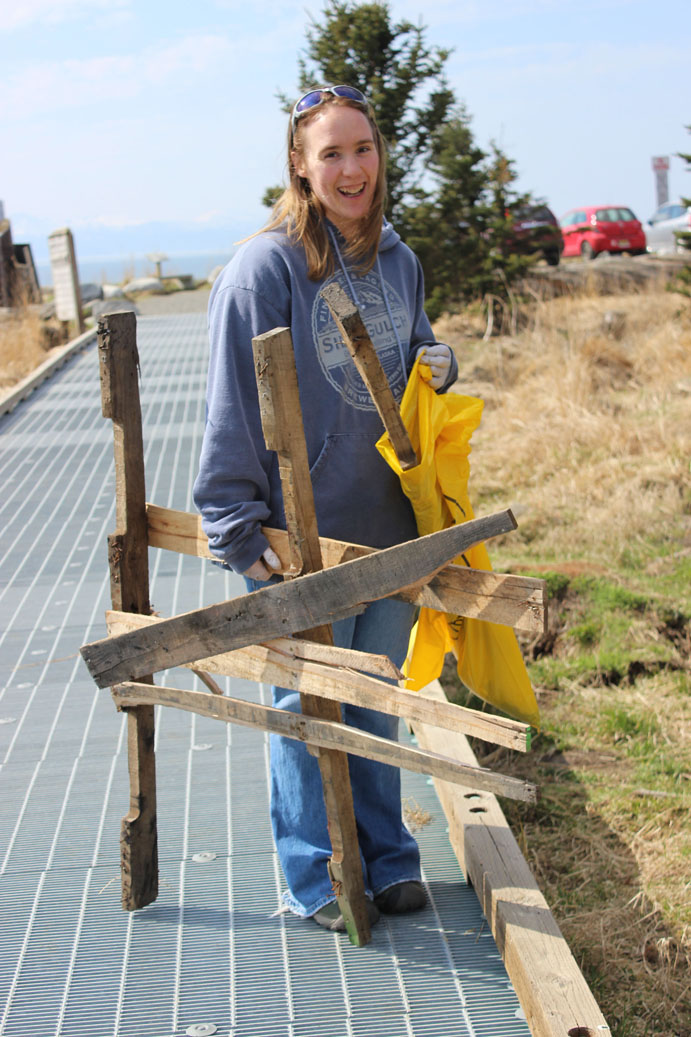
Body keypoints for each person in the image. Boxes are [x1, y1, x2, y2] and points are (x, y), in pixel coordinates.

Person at [193, 85, 458, 932]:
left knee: (375, 694)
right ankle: (316, 874)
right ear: (299, 167)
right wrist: (233, 524)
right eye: (331, 153)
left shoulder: (397, 258)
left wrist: (437, 356)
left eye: (362, 149)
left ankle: (388, 858)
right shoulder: (263, 270)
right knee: (305, 704)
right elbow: (233, 399)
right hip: (299, 533)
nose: (351, 169)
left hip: (388, 528)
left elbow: (408, 348)